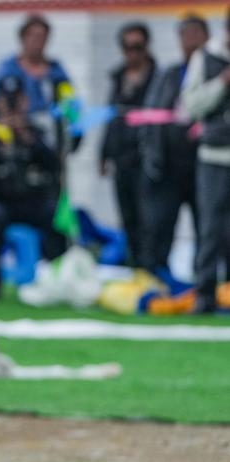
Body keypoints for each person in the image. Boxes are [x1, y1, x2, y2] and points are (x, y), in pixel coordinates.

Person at [0, 75, 68, 299]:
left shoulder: (35, 131)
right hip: (0, 201)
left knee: (55, 215)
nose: (12, 106)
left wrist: (27, 138)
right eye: (7, 101)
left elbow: (54, 164)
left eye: (16, 100)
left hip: (32, 200)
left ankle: (58, 280)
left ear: (25, 100)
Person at [139, 15, 208, 275]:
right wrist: (151, 154)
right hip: (168, 165)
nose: (190, 41)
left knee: (209, 225)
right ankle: (157, 275)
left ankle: (206, 279)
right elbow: (150, 115)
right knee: (161, 223)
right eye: (185, 35)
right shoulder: (168, 74)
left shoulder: (216, 73)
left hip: (203, 163)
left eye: (195, 34)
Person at [182, 8, 230, 313]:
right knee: (210, 226)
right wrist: (222, 82)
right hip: (214, 156)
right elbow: (192, 106)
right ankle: (205, 292)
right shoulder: (206, 58)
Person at [0, 14, 78, 154]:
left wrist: (76, 133)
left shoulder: (56, 72)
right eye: (33, 36)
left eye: (42, 37)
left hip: (50, 142)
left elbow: (72, 107)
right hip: (15, 140)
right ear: (22, 38)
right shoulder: (6, 71)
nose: (38, 42)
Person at [100, 22, 156, 268]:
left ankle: (150, 266)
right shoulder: (118, 77)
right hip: (120, 157)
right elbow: (110, 118)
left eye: (137, 46)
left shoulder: (158, 77)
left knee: (149, 218)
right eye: (127, 47)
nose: (132, 52)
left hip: (146, 157)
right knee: (127, 217)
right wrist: (103, 153)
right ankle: (134, 266)